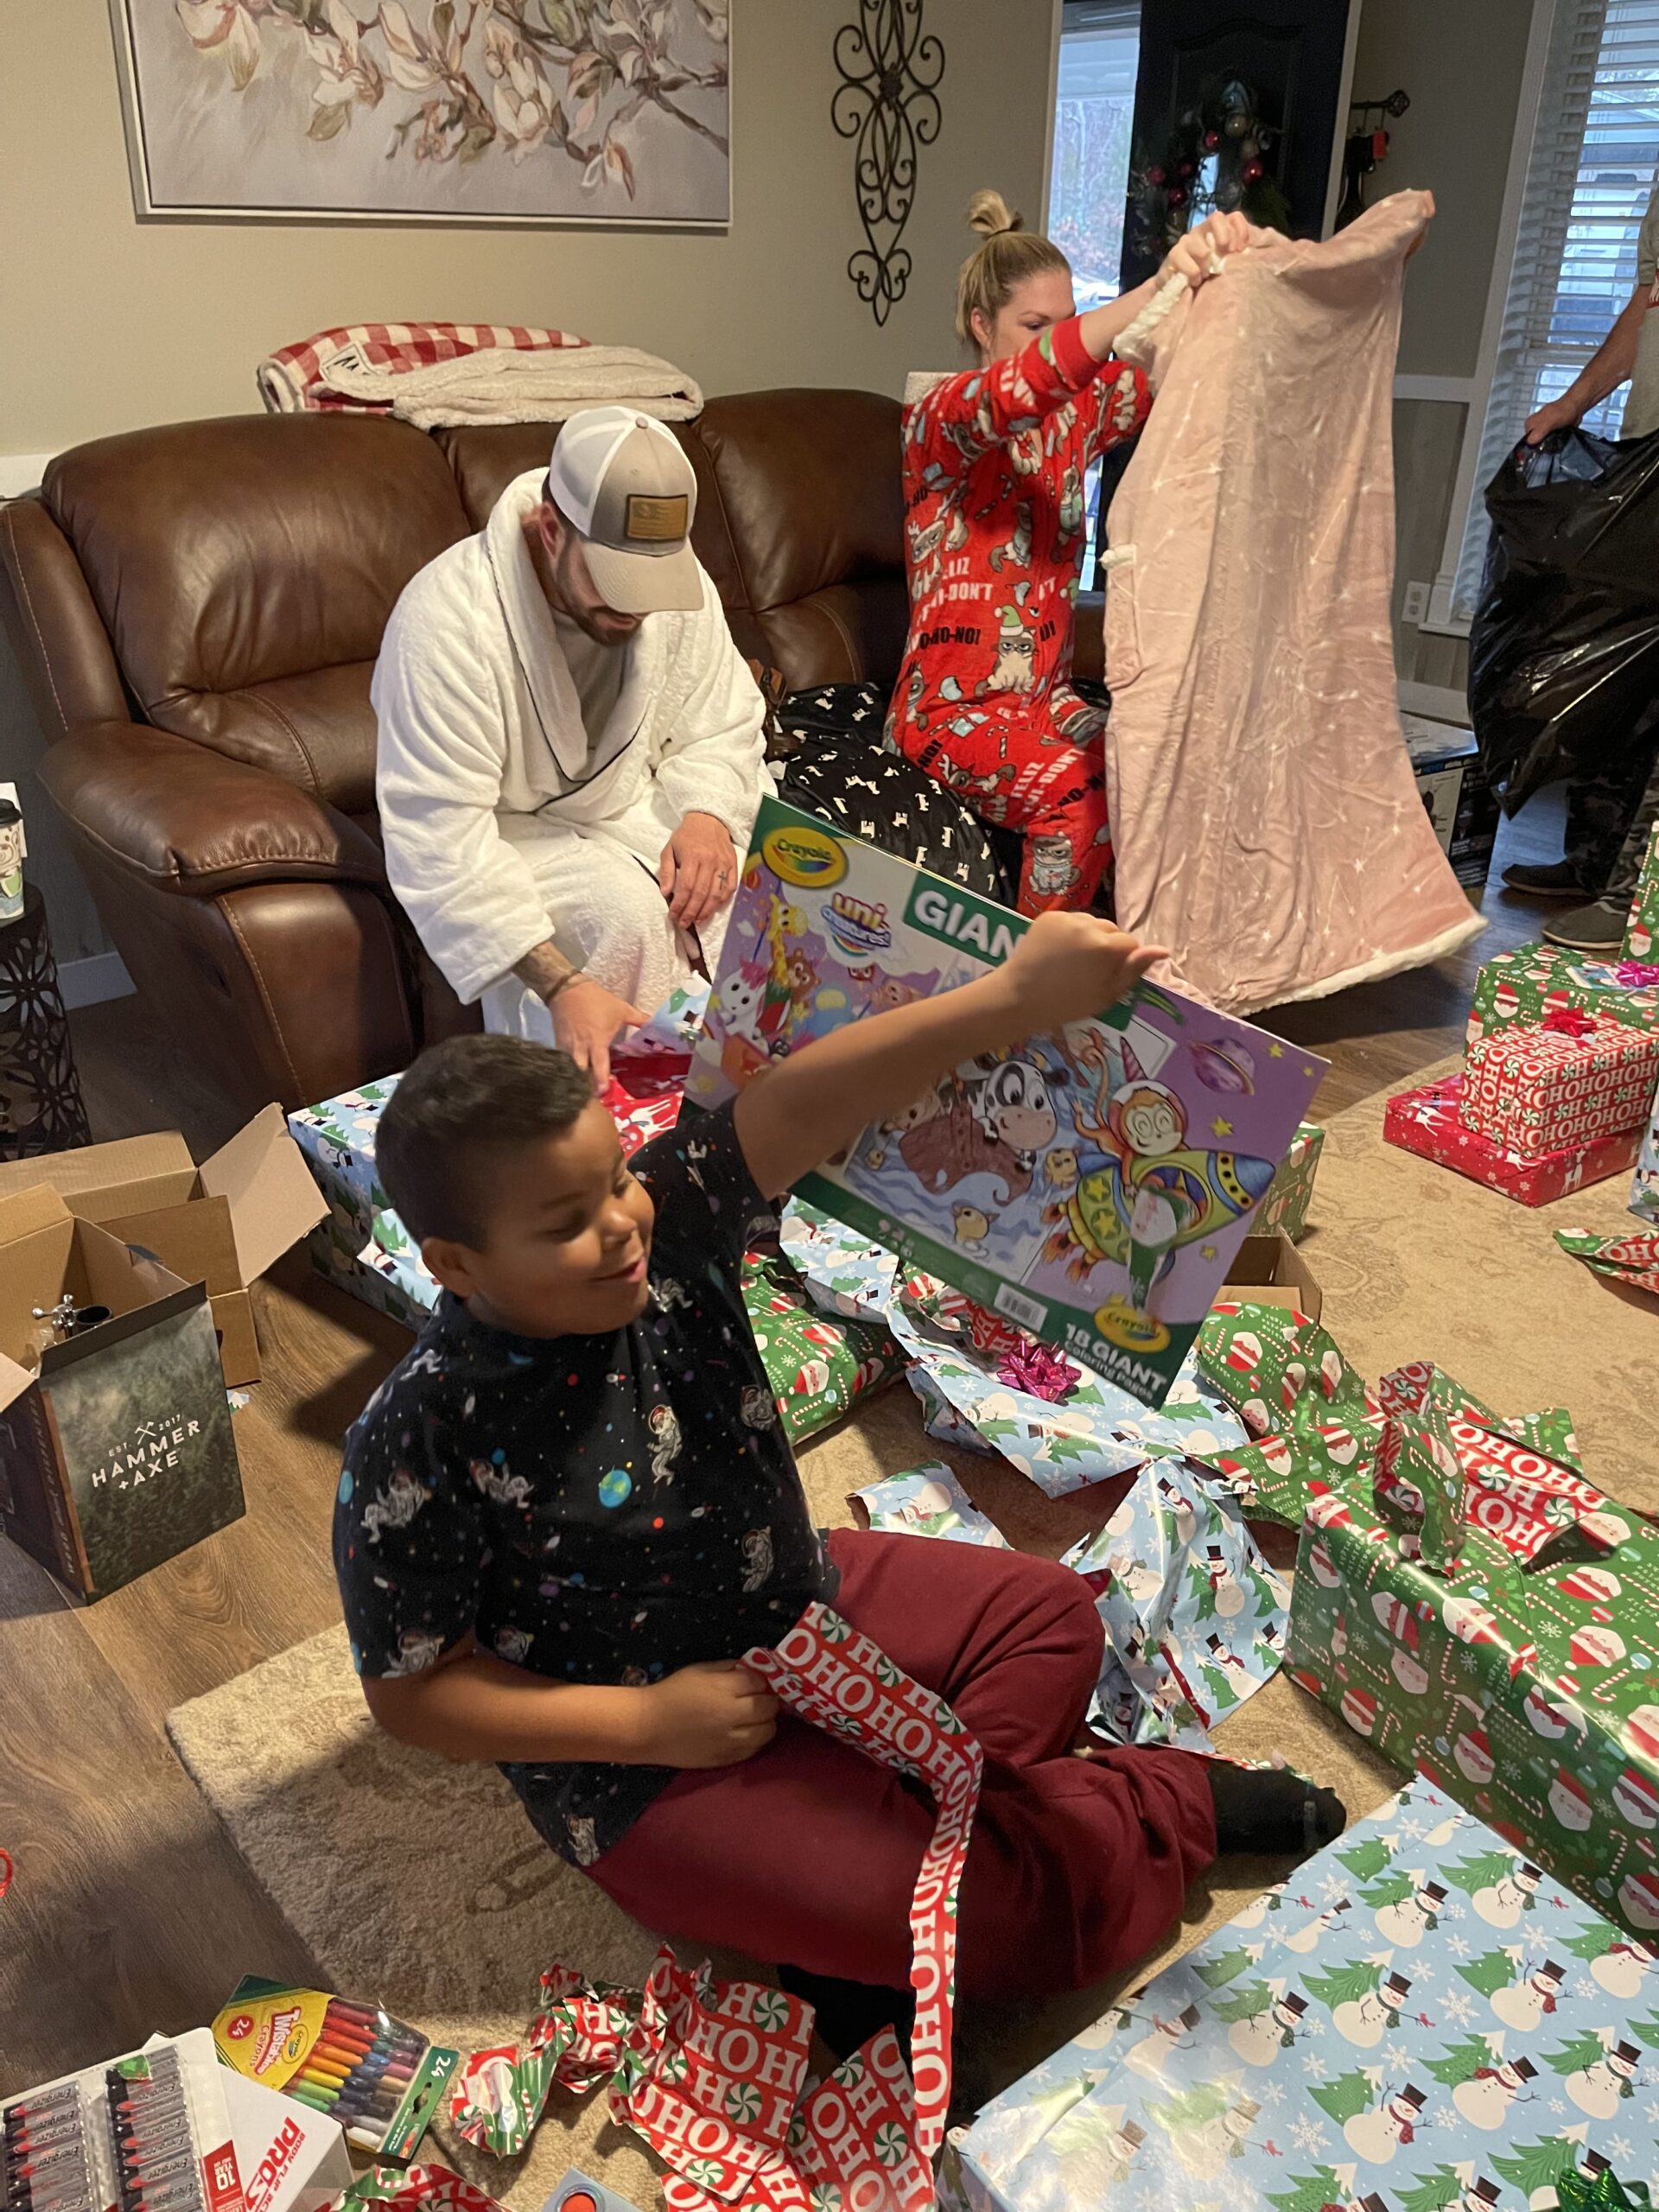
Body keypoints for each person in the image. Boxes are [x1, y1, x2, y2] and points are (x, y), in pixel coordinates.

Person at [333, 912, 1344, 2040]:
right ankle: (1159, 1801)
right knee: (999, 1917)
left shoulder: (666, 1229)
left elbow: (802, 1101)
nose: (620, 1226)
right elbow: (413, 1696)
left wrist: (1016, 996)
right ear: (455, 1264)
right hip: (642, 1763)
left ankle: (886, 1884)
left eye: (617, 1178)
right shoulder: (414, 1442)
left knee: (1055, 1617)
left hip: (789, 1599)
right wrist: (648, 1722)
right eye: (569, 1222)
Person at [885, 192, 1274, 917]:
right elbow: (1027, 384)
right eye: (1035, 326)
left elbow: (1174, 371)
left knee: (1158, 768)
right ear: (981, 324)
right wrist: (1156, 287)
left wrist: (1226, 279)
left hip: (1047, 702)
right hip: (948, 712)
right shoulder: (938, 419)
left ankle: (1145, 966)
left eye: (1066, 322)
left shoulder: (1076, 418)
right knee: (1080, 791)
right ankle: (1035, 978)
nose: (1056, 341)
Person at [374, 404, 771, 1088]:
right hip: (509, 827)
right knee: (620, 913)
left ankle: (744, 1106)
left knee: (741, 887)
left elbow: (719, 718)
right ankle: (605, 1125)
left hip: (631, 800)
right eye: (613, 581)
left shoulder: (674, 587)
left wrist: (707, 815)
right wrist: (562, 986)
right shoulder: (445, 624)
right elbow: (439, 833)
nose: (635, 607)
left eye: (649, 584)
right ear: (552, 529)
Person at [1504, 177, 1659, 953]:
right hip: (1645, 458)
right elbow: (1645, 307)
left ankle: (1636, 900)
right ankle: (1596, 861)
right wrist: (1574, 402)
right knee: (1620, 663)